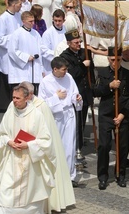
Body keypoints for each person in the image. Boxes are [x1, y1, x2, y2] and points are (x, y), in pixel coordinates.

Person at [0, 85, 55, 213]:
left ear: (27, 98)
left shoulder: (36, 115)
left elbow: (46, 141)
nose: (14, 100)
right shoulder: (10, 112)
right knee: (5, 192)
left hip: (30, 163)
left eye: (18, 98)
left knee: (30, 197)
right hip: (11, 161)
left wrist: (29, 145)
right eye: (13, 97)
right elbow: (1, 134)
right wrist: (9, 141)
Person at [18, 81, 76, 212]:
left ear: (31, 94)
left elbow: (46, 130)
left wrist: (33, 143)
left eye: (24, 94)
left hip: (37, 148)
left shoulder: (40, 106)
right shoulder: (18, 104)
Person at [93, 47, 129, 190]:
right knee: (104, 146)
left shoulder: (128, 74)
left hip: (122, 116)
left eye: (118, 60)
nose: (115, 63)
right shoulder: (102, 72)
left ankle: (121, 175)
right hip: (106, 115)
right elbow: (95, 91)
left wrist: (122, 114)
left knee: (122, 147)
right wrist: (109, 86)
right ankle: (103, 177)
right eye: (112, 60)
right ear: (108, 59)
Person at [38, 57, 83, 186]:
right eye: (63, 69)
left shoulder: (68, 77)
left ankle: (69, 176)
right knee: (55, 146)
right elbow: (41, 104)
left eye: (66, 69)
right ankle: (54, 174)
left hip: (68, 114)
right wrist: (56, 98)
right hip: (54, 116)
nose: (66, 72)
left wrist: (77, 98)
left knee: (69, 145)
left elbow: (75, 93)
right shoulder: (46, 82)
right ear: (55, 69)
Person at [59, 30, 96, 151]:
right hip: (74, 92)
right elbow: (71, 74)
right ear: (69, 43)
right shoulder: (64, 57)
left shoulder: (85, 53)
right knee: (74, 122)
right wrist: (82, 65)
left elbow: (91, 73)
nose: (78, 44)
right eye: (76, 42)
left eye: (80, 41)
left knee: (82, 121)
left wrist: (93, 88)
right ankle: (73, 147)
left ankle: (79, 146)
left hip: (85, 92)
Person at [0, 0, 23, 112]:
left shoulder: (18, 16)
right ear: (14, 4)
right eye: (19, 4)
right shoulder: (3, 18)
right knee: (6, 77)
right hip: (6, 53)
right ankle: (2, 104)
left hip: (16, 52)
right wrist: (14, 38)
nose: (21, 6)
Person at [8, 11, 44, 94]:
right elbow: (12, 51)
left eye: (33, 21)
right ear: (23, 21)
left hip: (34, 68)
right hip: (21, 70)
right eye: (30, 21)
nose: (33, 23)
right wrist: (26, 57)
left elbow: (40, 50)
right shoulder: (17, 34)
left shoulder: (36, 34)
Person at [42, 9, 67, 75]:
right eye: (55, 20)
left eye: (59, 21)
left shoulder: (66, 30)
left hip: (65, 64)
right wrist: (58, 55)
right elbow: (44, 51)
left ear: (64, 20)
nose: (57, 23)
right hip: (52, 66)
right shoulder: (48, 33)